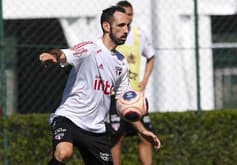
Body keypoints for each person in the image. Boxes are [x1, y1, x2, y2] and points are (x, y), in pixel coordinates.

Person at [39, 5, 161, 165]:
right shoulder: (90, 49)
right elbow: (65, 54)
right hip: (69, 118)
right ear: (106, 26)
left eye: (128, 26)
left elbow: (124, 103)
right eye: (121, 25)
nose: (126, 30)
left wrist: (142, 130)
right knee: (64, 152)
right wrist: (53, 55)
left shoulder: (121, 63)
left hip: (96, 129)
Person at [107, 1, 156, 165]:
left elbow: (151, 56)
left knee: (145, 135)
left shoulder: (139, 34)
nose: (129, 17)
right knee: (117, 137)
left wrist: (145, 80)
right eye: (126, 14)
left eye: (131, 14)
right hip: (115, 97)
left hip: (134, 97)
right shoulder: (111, 36)